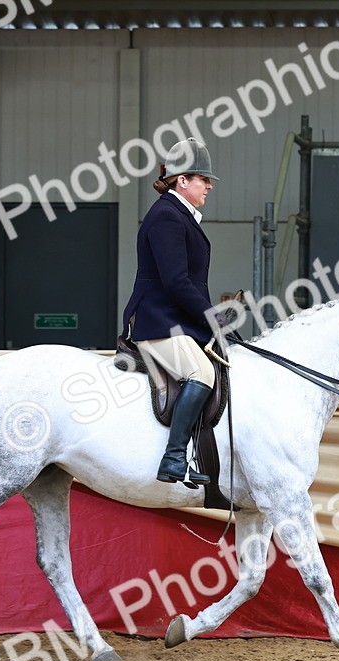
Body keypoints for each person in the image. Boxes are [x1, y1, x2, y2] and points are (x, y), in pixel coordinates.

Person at [120, 137, 221, 485]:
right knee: (202, 374)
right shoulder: (167, 216)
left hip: (174, 319)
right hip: (157, 320)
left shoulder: (181, 216)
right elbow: (177, 282)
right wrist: (212, 317)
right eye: (202, 179)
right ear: (182, 180)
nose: (208, 185)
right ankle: (174, 457)